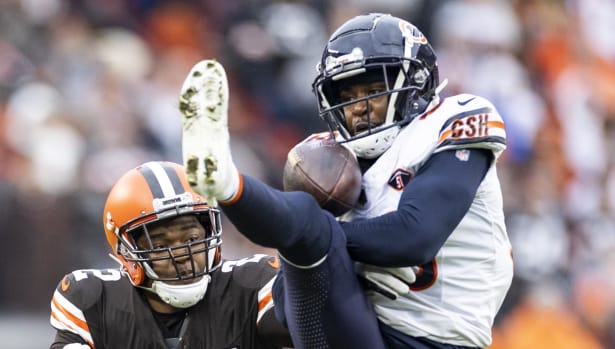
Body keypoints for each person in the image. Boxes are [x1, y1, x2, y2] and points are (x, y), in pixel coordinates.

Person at [179, 12, 513, 349]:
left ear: (416, 82)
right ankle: (222, 183)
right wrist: (332, 252)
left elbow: (414, 236)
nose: (359, 108)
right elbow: (287, 302)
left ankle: (228, 184)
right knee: (302, 240)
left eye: (373, 89)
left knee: (312, 227)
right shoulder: (330, 162)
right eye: (347, 96)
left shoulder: (454, 118)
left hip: (439, 341)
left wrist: (330, 242)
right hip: (360, 333)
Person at [48, 161, 293, 348]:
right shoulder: (92, 300)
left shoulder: (253, 284)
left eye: (191, 239)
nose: (181, 254)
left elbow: (316, 334)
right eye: (160, 244)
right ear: (128, 251)